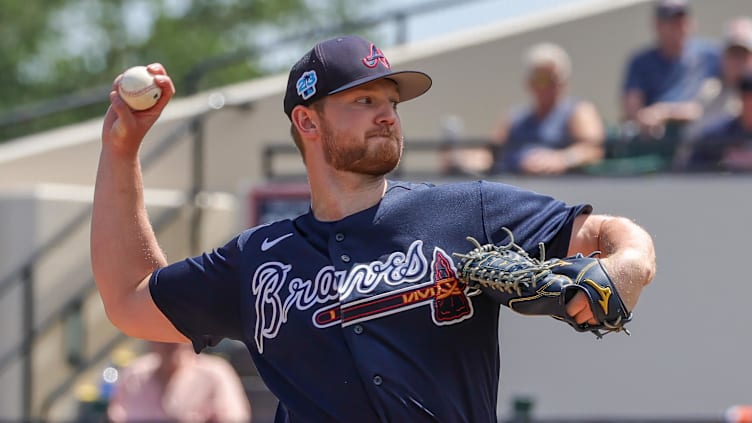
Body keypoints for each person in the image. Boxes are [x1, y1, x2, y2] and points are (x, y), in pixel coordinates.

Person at [91, 35, 656, 422]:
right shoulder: (259, 258)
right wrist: (122, 153)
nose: (387, 112)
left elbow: (611, 232)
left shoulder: (468, 212)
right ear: (306, 121)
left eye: (391, 100)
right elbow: (129, 300)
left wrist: (627, 266)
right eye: (364, 100)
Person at [489, 42, 605, 175]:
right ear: (529, 83)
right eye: (541, 79)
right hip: (513, 185)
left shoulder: (578, 111)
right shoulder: (513, 116)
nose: (548, 86)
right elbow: (491, 151)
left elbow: (593, 150)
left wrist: (563, 159)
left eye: (554, 79)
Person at [621, 0, 720, 138]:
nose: (679, 27)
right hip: (657, 138)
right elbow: (632, 109)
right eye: (672, 22)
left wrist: (665, 112)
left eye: (682, 20)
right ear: (657, 25)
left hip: (701, 136)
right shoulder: (640, 62)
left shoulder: (711, 55)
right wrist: (646, 118)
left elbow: (709, 106)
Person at [107, 341, 252, 423]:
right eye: (162, 334)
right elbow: (116, 416)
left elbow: (234, 418)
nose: (170, 342)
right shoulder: (133, 374)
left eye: (176, 333)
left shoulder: (216, 373)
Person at [674, 16, 752, 167]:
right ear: (723, 58)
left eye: (743, 55)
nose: (737, 61)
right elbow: (695, 145)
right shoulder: (709, 91)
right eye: (733, 54)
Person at [682, 70, 752, 171]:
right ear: (742, 98)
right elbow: (693, 167)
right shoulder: (718, 135)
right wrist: (721, 165)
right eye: (748, 99)